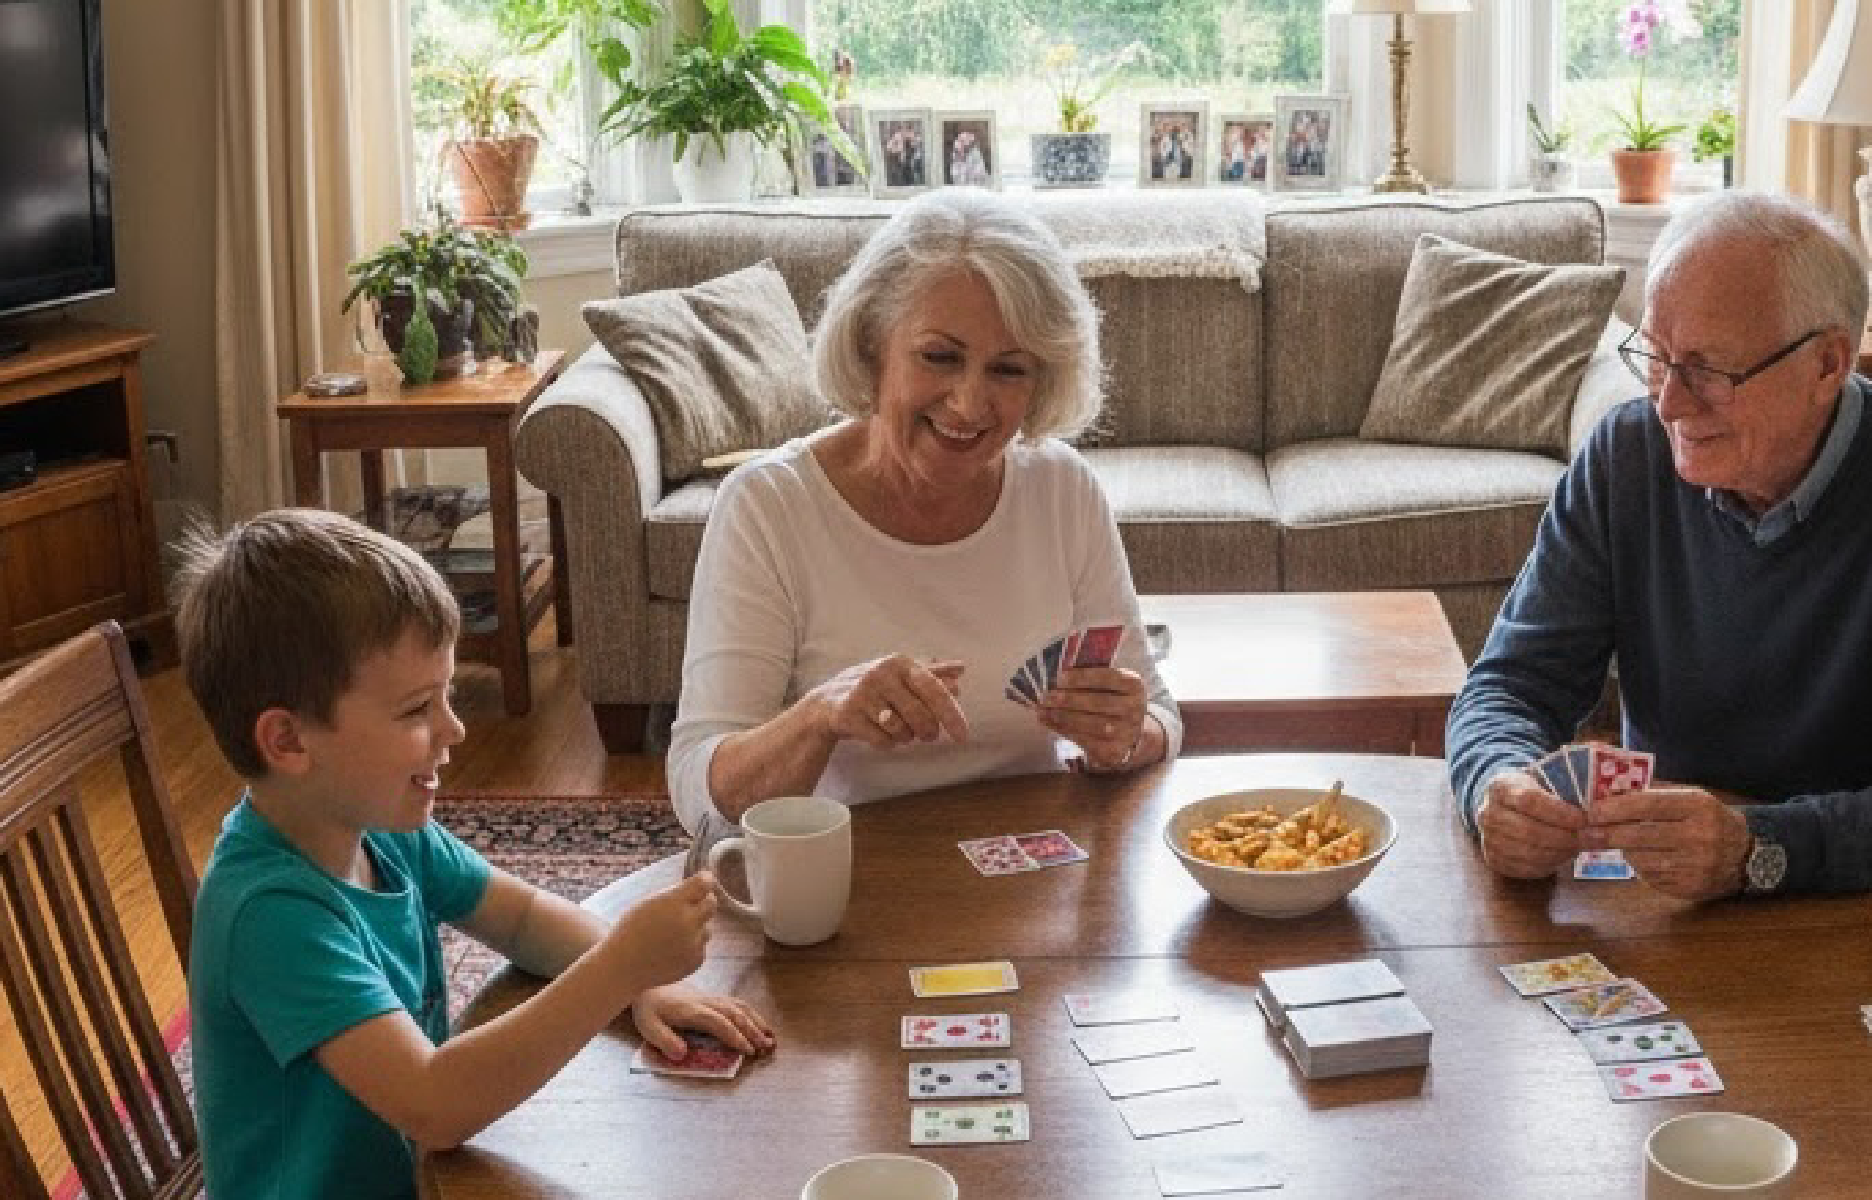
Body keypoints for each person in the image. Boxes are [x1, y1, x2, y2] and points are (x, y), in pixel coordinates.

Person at [1446, 190, 1872, 901]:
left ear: (1829, 364)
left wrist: (1761, 847)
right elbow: (1510, 683)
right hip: (1668, 902)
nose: (1669, 402)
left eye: (1707, 370)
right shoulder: (1626, 455)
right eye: (1657, 357)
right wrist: (1496, 779)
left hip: (1866, 912)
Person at [179, 509, 772, 1199]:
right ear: (287, 742)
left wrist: (645, 985)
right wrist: (618, 968)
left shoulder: (377, 827)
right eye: (415, 710)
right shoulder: (269, 914)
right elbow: (436, 1107)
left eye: (447, 697)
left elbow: (518, 917)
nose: (453, 729)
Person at [669, 190, 1181, 828]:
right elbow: (699, 791)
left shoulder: (1062, 489)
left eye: (1009, 370)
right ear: (873, 344)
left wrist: (1127, 736)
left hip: (1032, 880)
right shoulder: (770, 504)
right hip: (844, 882)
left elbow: (1157, 712)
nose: (970, 404)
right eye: (940, 357)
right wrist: (820, 715)